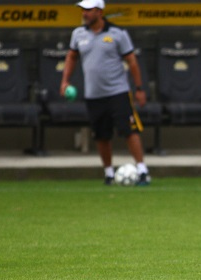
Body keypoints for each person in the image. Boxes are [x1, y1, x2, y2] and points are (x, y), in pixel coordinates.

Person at [61, 0, 151, 185]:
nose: (84, 13)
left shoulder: (118, 33)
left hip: (118, 92)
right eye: (83, 10)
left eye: (88, 10)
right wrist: (65, 81)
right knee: (101, 135)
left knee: (129, 130)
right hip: (93, 95)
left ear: (99, 11)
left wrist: (140, 88)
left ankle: (142, 170)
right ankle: (109, 173)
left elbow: (132, 62)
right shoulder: (77, 34)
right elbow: (71, 57)